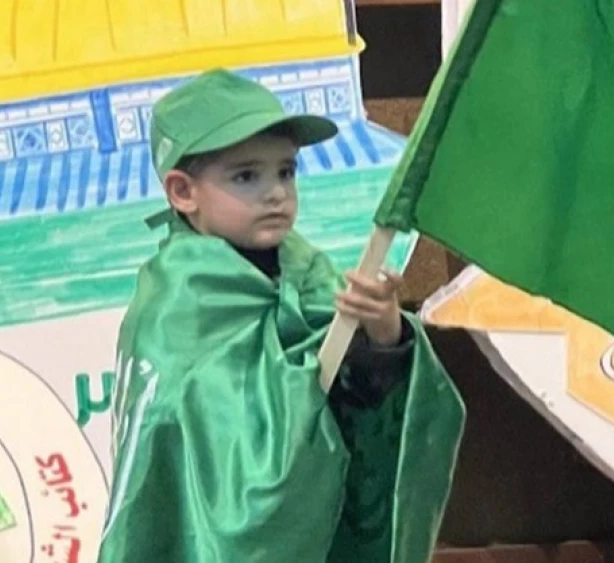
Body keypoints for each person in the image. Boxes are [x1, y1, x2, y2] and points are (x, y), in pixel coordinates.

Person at [96, 69, 465, 563]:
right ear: (183, 192)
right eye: (246, 176)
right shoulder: (172, 311)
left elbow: (366, 411)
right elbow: (190, 457)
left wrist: (383, 336)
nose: (275, 192)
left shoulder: (312, 275)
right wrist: (306, 387)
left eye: (286, 172)